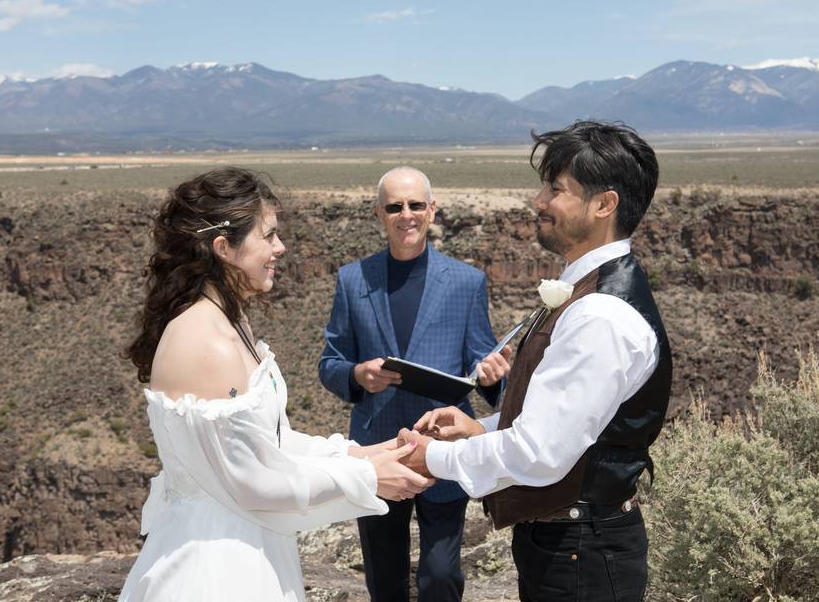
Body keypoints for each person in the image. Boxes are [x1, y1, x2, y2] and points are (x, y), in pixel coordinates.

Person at [118, 167, 431, 602]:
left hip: (247, 543)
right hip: (217, 569)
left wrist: (364, 452)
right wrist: (364, 476)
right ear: (224, 248)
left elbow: (266, 443)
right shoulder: (210, 342)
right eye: (268, 236)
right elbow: (253, 484)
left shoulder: (229, 322)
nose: (280, 248)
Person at [400, 121, 673, 602]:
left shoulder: (600, 315)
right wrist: (481, 428)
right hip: (571, 545)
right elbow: (565, 419)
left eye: (556, 189)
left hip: (582, 554)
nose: (539, 201)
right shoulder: (592, 293)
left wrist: (435, 458)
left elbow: (541, 454)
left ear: (604, 204)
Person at [318, 166, 510, 602]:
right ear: (379, 214)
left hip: (443, 448)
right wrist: (356, 375)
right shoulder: (353, 280)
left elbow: (481, 363)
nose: (406, 214)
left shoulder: (466, 282)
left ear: (432, 210)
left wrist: (495, 380)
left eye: (415, 205)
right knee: (384, 580)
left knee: (440, 577)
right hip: (379, 449)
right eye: (394, 207)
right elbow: (330, 362)